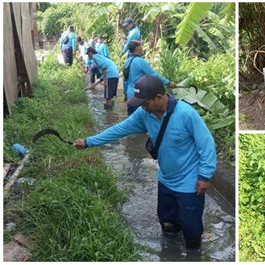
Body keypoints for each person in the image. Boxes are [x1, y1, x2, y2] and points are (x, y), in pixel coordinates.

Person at [73, 75, 216, 251]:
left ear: (159, 97)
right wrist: (88, 142)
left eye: (145, 102)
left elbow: (206, 144)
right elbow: (119, 130)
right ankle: (170, 255)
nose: (142, 106)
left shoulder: (186, 114)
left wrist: (205, 176)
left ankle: (195, 255)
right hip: (166, 181)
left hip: (190, 183)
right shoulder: (144, 114)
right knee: (168, 226)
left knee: (191, 230)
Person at [124, 40, 176, 116]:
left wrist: (125, 93)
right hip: (139, 96)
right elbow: (154, 75)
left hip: (130, 95)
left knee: (132, 120)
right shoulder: (140, 61)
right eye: (141, 46)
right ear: (137, 48)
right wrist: (168, 82)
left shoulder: (127, 61)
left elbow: (125, 80)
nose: (142, 48)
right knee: (142, 120)